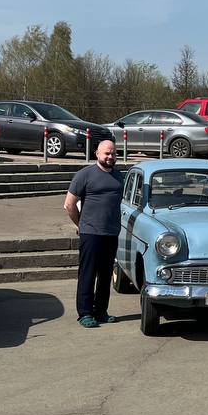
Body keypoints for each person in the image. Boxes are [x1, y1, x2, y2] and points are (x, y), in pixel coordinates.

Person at [63, 138, 125, 329]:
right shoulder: (85, 175)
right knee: (88, 274)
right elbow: (69, 204)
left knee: (105, 275)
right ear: (97, 153)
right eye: (106, 153)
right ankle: (85, 313)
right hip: (90, 232)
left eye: (113, 153)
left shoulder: (119, 176)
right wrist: (81, 224)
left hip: (111, 232)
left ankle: (101, 311)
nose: (110, 156)